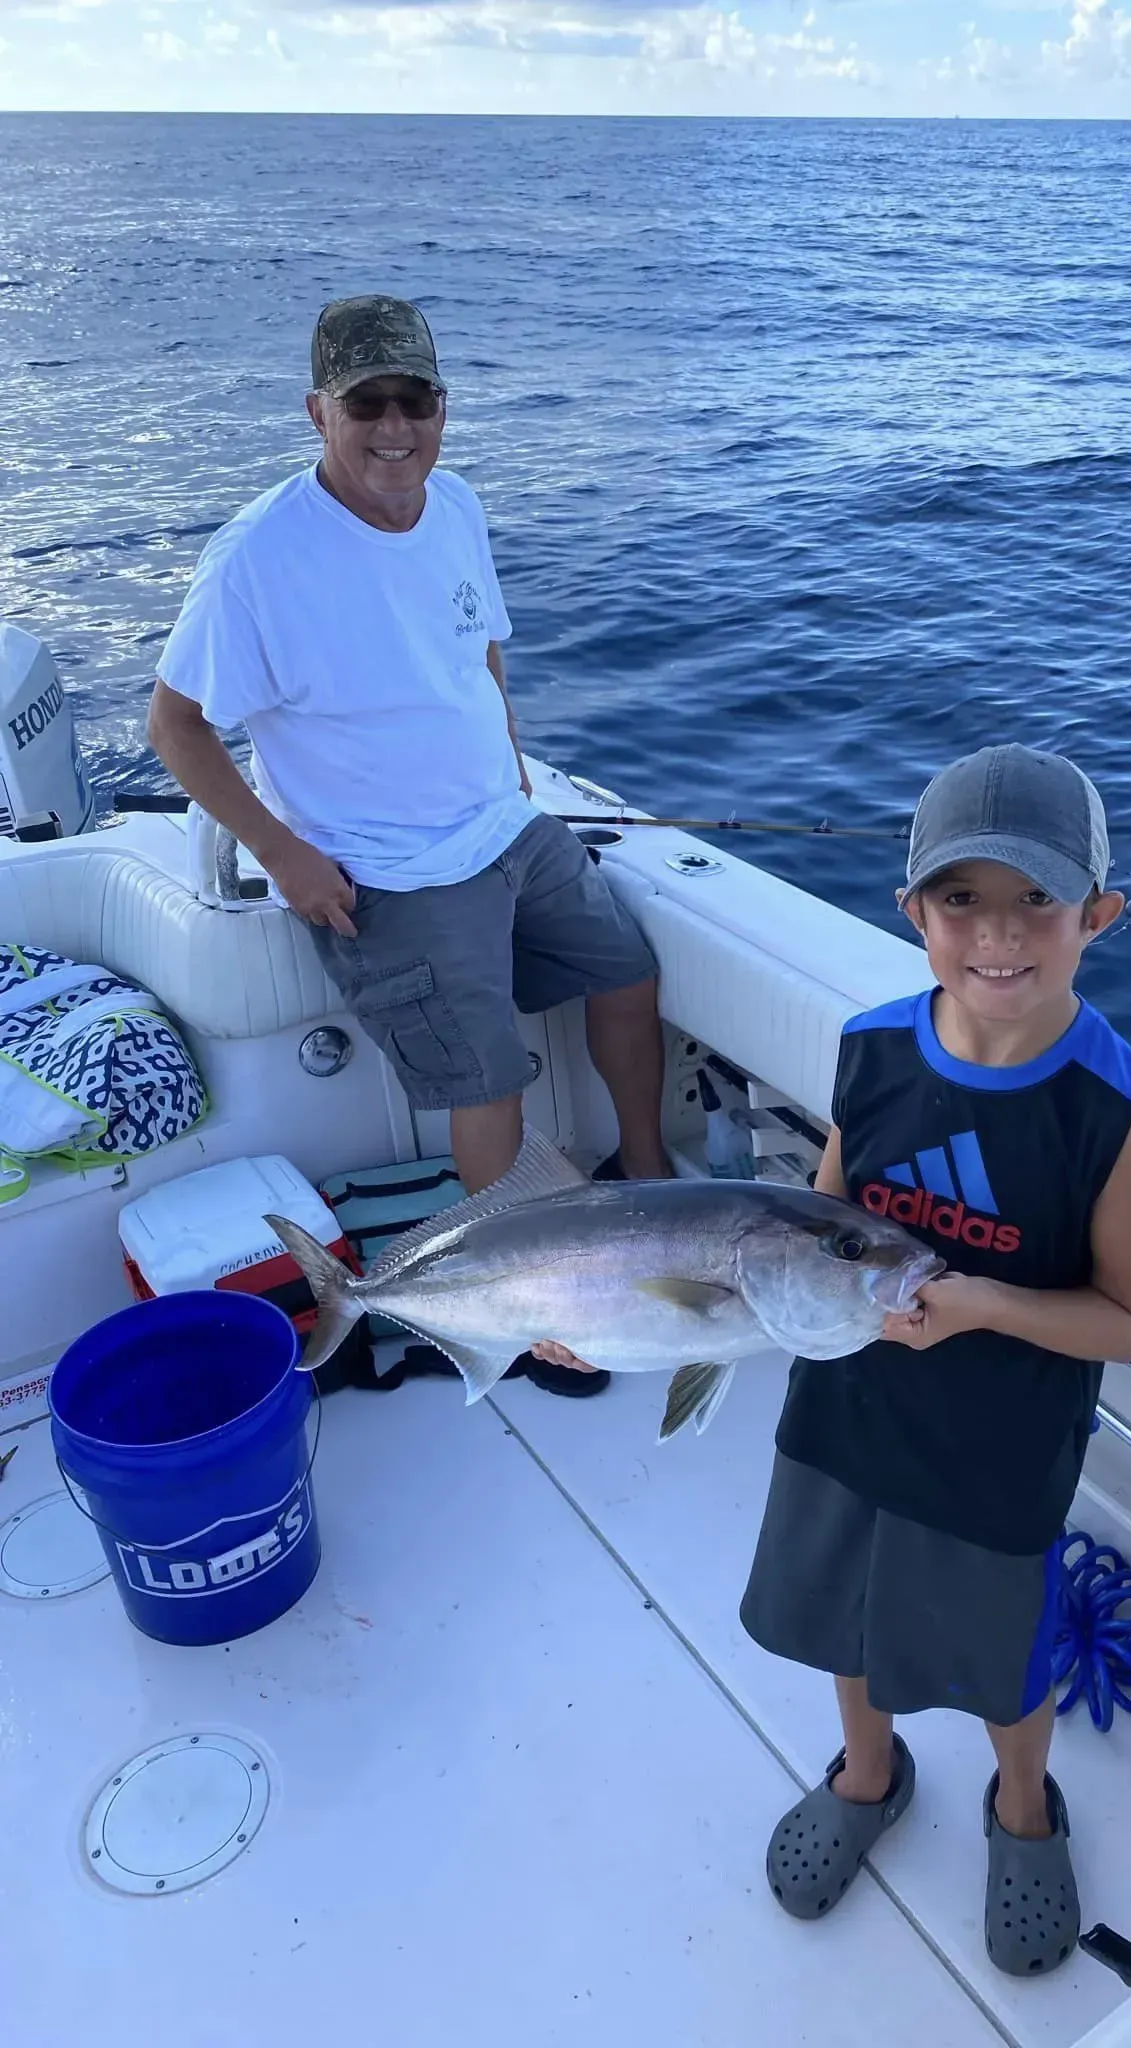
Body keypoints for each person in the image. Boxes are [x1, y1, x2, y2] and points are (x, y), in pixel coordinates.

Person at [147, 294, 673, 1401]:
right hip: (387, 870)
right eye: (367, 403)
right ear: (318, 412)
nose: (396, 427)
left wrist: (512, 757)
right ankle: (527, 1318)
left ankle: (648, 1173)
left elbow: (479, 649)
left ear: (444, 406)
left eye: (416, 399)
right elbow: (175, 726)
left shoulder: (457, 503)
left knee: (627, 970)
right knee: (489, 1085)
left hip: (504, 825)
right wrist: (284, 852)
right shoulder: (256, 558)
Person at [735, 742, 1131, 1975]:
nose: (999, 933)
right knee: (843, 1612)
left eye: (1037, 898)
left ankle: (1023, 1803)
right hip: (847, 1404)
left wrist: (984, 1303)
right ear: (911, 910)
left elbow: (1123, 1321)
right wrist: (617, 1316)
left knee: (1000, 1651)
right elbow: (813, 1226)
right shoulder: (871, 1047)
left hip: (1001, 1442)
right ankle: (868, 1771)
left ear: (1100, 913)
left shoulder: (1122, 1110)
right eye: (961, 898)